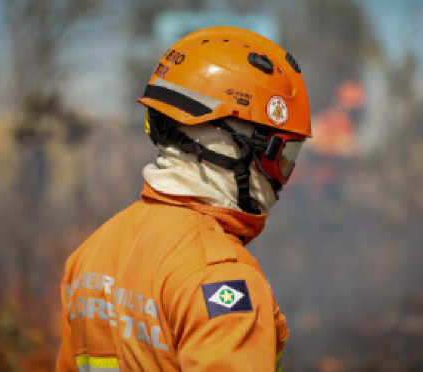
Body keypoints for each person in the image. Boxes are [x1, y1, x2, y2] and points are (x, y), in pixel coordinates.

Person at [56, 26, 311, 371]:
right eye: (281, 157)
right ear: (233, 146)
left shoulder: (91, 254)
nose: (281, 178)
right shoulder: (222, 281)